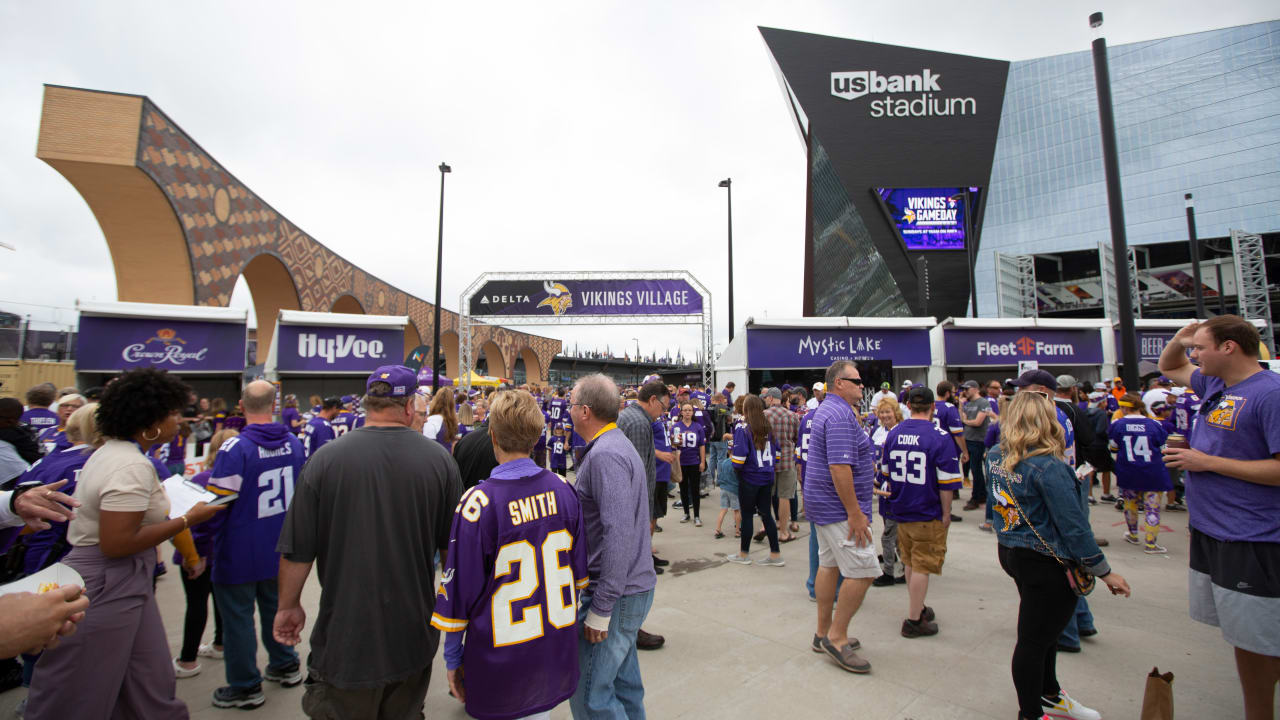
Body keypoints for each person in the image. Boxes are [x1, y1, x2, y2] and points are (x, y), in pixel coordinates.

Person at [25, 368, 225, 720]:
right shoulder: (130, 465)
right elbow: (117, 543)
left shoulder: (118, 454)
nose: (180, 421)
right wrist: (187, 520)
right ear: (150, 421)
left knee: (148, 678)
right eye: (173, 413)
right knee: (79, 689)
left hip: (123, 578)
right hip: (106, 581)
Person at [274, 365, 463, 718]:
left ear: (367, 404)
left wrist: (288, 606)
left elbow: (297, 551)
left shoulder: (324, 460)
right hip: (412, 635)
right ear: (408, 407)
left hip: (345, 638)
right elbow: (451, 553)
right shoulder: (440, 462)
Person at [432, 390, 588, 720]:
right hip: (551, 650)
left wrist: (452, 658)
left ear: (492, 435)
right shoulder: (564, 489)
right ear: (537, 435)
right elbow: (577, 580)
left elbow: (459, 597)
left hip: (501, 659)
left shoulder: (478, 503)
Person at [1159, 316, 1280, 720]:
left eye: (1200, 347)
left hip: (1254, 537)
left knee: (1257, 642)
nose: (1193, 355)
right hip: (1216, 532)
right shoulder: (1215, 384)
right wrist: (1180, 337)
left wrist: (1205, 461)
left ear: (1229, 347)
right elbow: (1169, 367)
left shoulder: (1270, 394)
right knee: (1245, 636)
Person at [987, 391, 1131, 720]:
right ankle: (1032, 712)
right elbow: (1075, 528)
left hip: (1012, 550)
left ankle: (1049, 694)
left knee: (1043, 633)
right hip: (1045, 559)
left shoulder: (996, 455)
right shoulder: (1048, 467)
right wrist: (1104, 571)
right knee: (1035, 640)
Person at [202, 381, 307, 709]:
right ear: (274, 403)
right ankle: (285, 662)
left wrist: (204, 544)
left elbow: (218, 504)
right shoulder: (292, 443)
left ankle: (245, 684)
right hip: (280, 547)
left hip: (240, 549)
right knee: (278, 606)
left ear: (241, 404)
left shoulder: (235, 449)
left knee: (237, 620)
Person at [566, 374, 657, 719]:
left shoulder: (606, 455)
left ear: (585, 411)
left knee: (592, 696)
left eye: (572, 404)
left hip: (615, 593)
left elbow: (617, 534)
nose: (569, 410)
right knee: (623, 685)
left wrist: (601, 608)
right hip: (625, 589)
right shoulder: (612, 446)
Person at [806, 361, 877, 674]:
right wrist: (855, 513)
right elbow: (839, 466)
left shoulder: (833, 410)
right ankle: (836, 637)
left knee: (829, 565)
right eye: (857, 381)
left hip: (825, 504)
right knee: (864, 570)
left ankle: (823, 633)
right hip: (838, 508)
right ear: (839, 383)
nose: (862, 385)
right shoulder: (837, 414)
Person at [878, 386, 961, 638]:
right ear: (932, 407)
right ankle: (914, 619)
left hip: (901, 507)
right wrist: (946, 513)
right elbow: (947, 482)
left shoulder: (893, 433)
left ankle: (918, 606)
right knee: (922, 564)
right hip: (926, 510)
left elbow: (885, 474)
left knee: (911, 561)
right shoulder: (939, 436)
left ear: (909, 407)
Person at [608, 379, 668, 648]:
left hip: (626, 507)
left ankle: (626, 626)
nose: (663, 413)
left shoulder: (630, 416)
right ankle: (630, 627)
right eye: (663, 407)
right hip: (632, 508)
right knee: (632, 577)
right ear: (653, 400)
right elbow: (638, 470)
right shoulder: (641, 422)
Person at [172, 428, 235, 680]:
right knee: (220, 600)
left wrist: (194, 555)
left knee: (196, 604)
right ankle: (220, 643)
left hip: (201, 551)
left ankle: (188, 660)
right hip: (224, 551)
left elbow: (192, 522)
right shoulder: (237, 480)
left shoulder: (202, 479)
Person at [1107, 394, 1171, 555]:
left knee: (1130, 504)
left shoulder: (1117, 424)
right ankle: (1151, 543)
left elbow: (1113, 447)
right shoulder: (1154, 424)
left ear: (1125, 408)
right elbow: (1163, 447)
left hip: (1128, 470)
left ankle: (1133, 534)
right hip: (1153, 470)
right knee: (1152, 508)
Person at [727, 394, 784, 567]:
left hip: (749, 478)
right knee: (767, 515)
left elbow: (738, 461)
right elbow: (778, 456)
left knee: (747, 515)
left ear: (746, 409)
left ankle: (744, 554)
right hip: (767, 476)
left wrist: (731, 455)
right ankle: (775, 554)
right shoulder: (769, 428)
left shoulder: (743, 429)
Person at [869, 397, 906, 587]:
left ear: (896, 412)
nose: (884, 416)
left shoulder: (900, 432)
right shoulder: (878, 431)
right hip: (882, 484)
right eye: (882, 412)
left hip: (893, 487)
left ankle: (890, 572)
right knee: (892, 532)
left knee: (889, 535)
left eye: (888, 412)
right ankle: (901, 564)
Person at [763, 388, 801, 542]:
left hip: (768, 461)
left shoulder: (764, 415)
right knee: (785, 497)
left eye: (766, 398)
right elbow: (796, 438)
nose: (765, 400)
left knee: (766, 495)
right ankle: (784, 532)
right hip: (786, 461)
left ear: (771, 398)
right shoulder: (792, 416)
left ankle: (765, 526)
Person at [959, 380, 993, 514]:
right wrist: (961, 406)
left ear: (975, 389)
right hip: (969, 439)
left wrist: (966, 421)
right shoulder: (969, 404)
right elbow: (962, 418)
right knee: (974, 469)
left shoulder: (983, 402)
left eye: (967, 389)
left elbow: (978, 422)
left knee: (977, 470)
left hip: (979, 440)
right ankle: (981, 495)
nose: (965, 392)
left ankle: (978, 497)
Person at [672, 402, 707, 527]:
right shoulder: (676, 426)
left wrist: (702, 462)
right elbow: (673, 445)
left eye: (689, 410)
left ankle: (697, 515)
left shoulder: (698, 427)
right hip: (681, 462)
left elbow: (702, 446)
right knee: (683, 489)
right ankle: (686, 513)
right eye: (685, 410)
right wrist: (674, 443)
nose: (687, 412)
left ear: (693, 412)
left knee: (695, 489)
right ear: (681, 412)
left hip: (694, 462)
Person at [425, 388, 461, 453]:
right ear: (452, 404)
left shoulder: (431, 421)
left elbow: (427, 449)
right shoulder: (452, 422)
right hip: (447, 460)